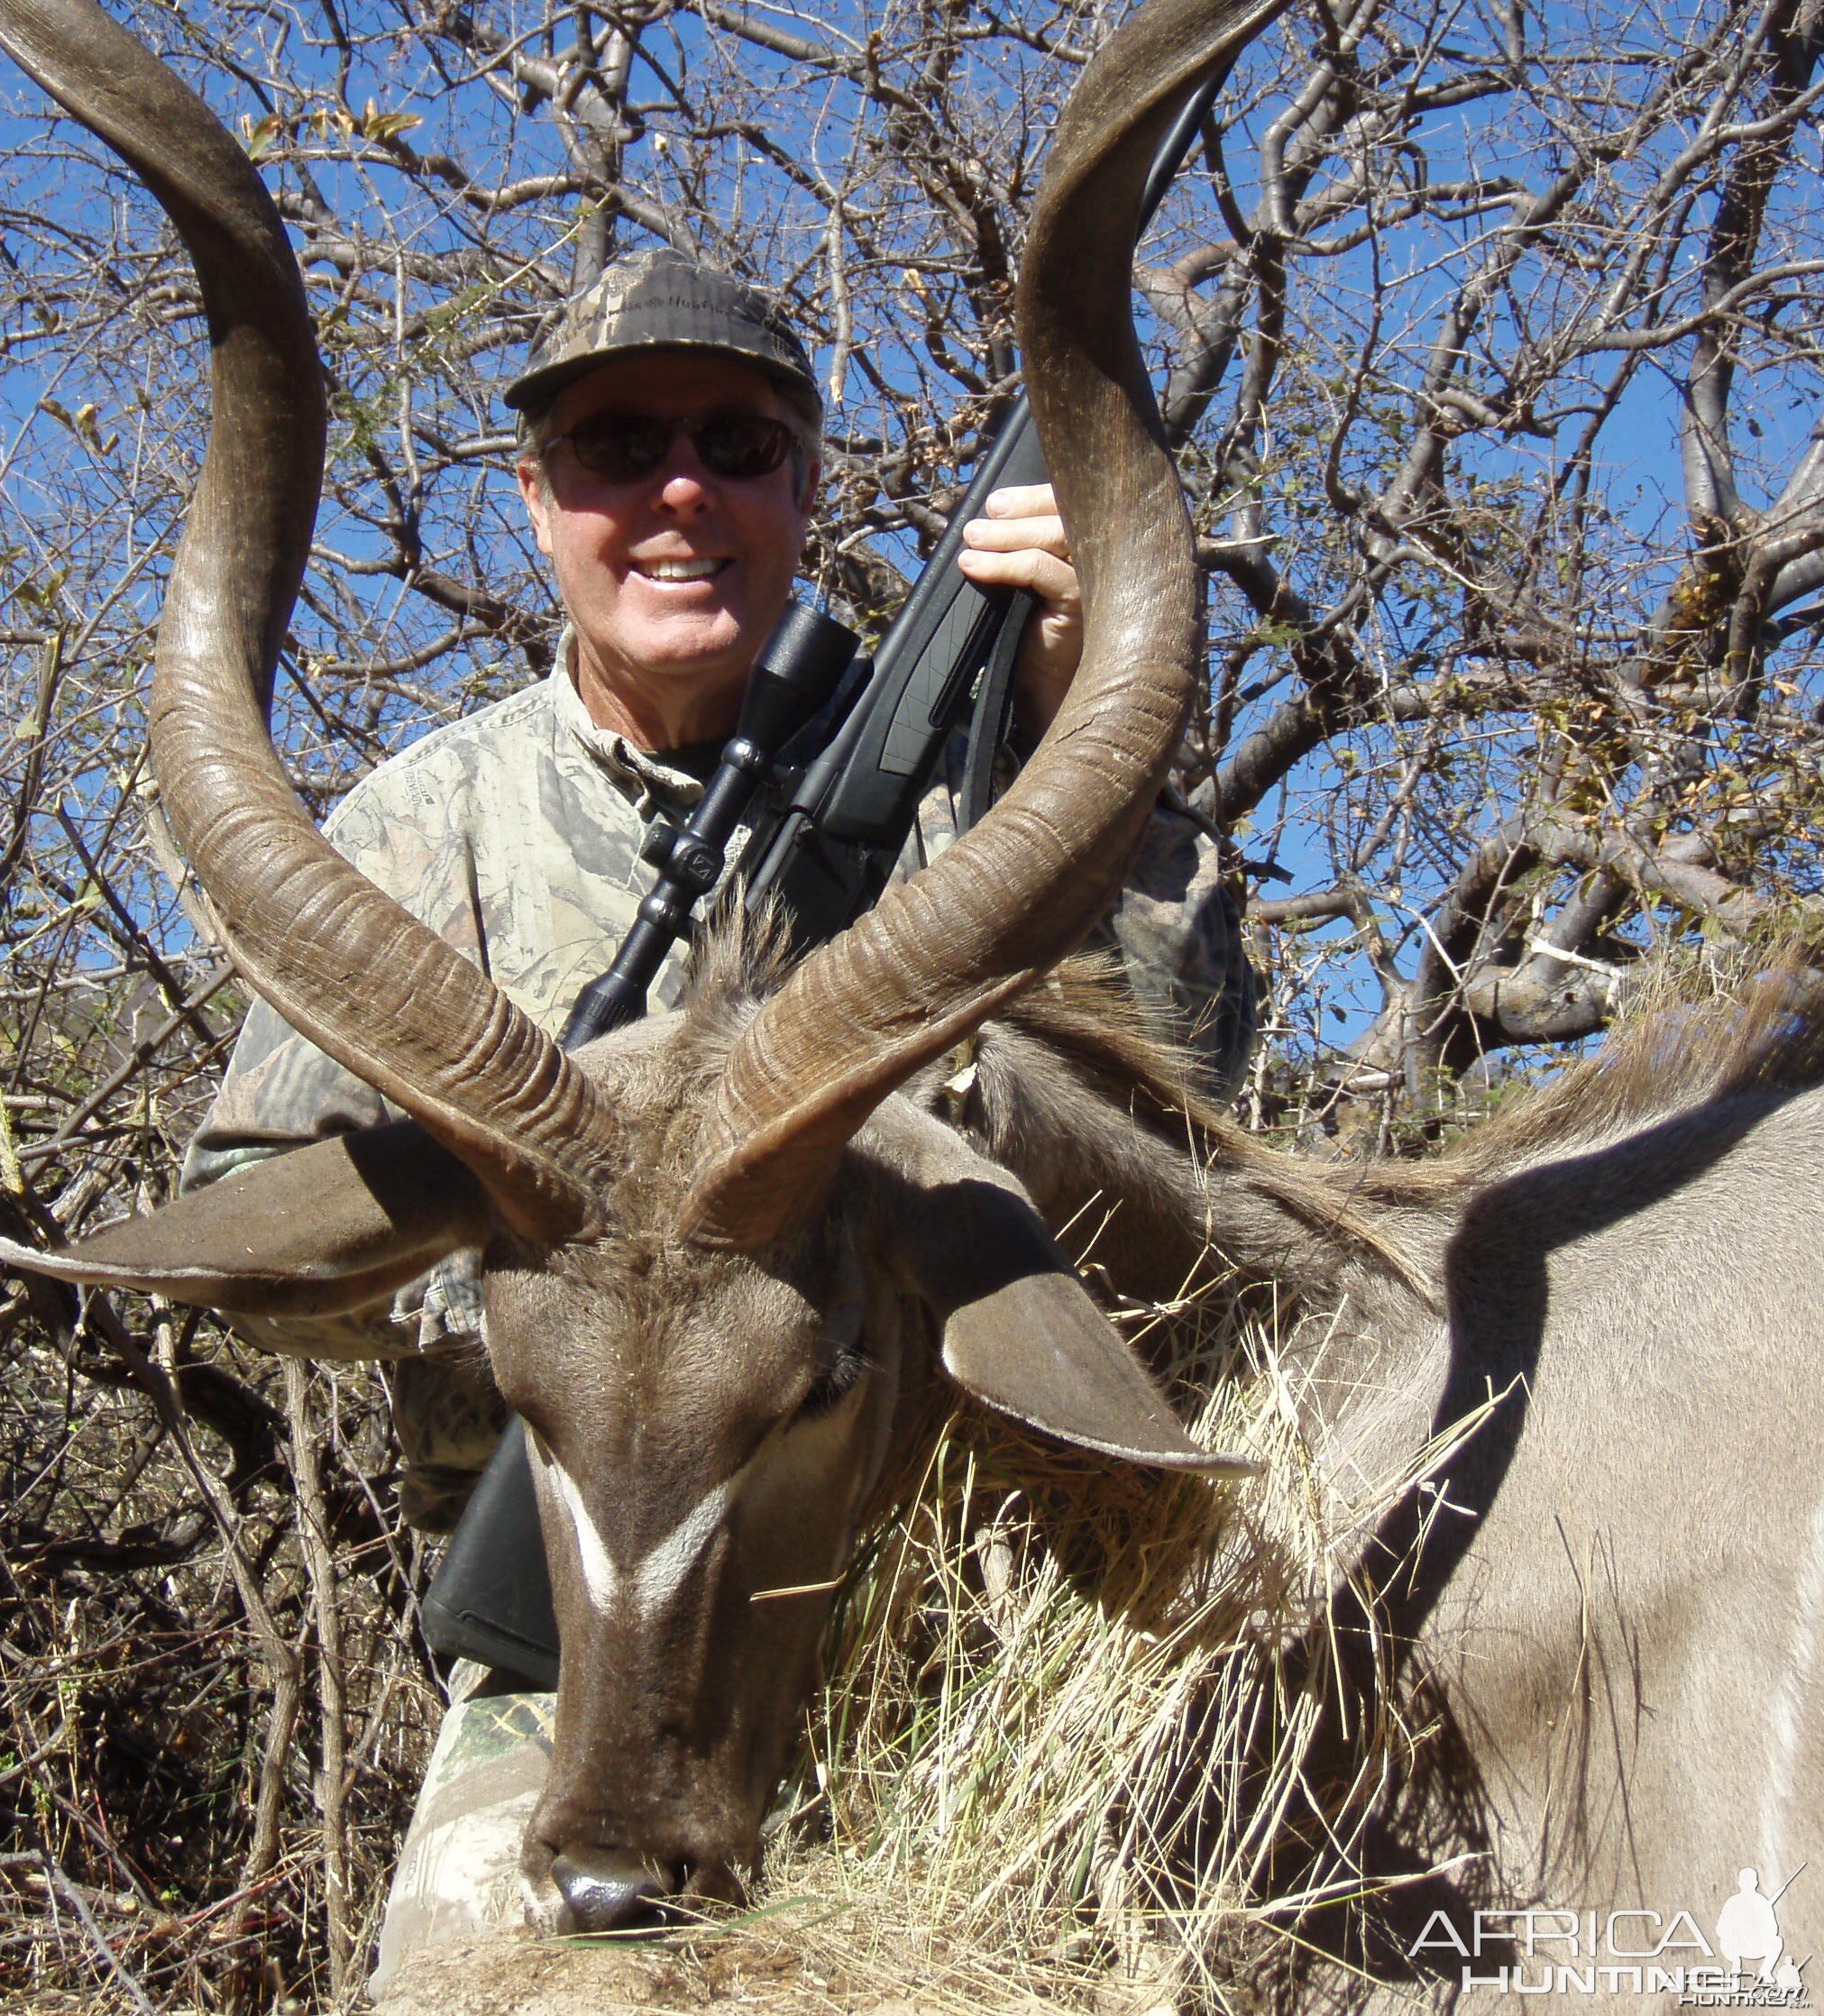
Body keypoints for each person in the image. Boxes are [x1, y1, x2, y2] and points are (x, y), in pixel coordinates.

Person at [179, 246, 1257, 1976]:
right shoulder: (423, 821)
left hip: (981, 1631)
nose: (680, 489)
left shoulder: (963, 813)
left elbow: (1195, 1096)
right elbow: (245, 1205)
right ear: (536, 501)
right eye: (616, 447)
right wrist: (552, 1307)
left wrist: (1078, 750)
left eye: (739, 444)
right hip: (577, 1665)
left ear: (807, 486)